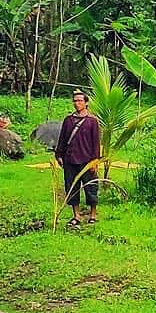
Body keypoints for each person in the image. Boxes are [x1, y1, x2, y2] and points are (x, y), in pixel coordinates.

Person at [54, 90, 102, 228]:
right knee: (71, 187)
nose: (77, 103)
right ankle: (76, 215)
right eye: (75, 101)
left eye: (80, 100)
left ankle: (93, 214)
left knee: (91, 187)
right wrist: (59, 155)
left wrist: (95, 161)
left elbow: (96, 143)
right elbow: (62, 139)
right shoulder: (68, 120)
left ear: (86, 103)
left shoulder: (92, 121)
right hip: (70, 160)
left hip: (87, 161)